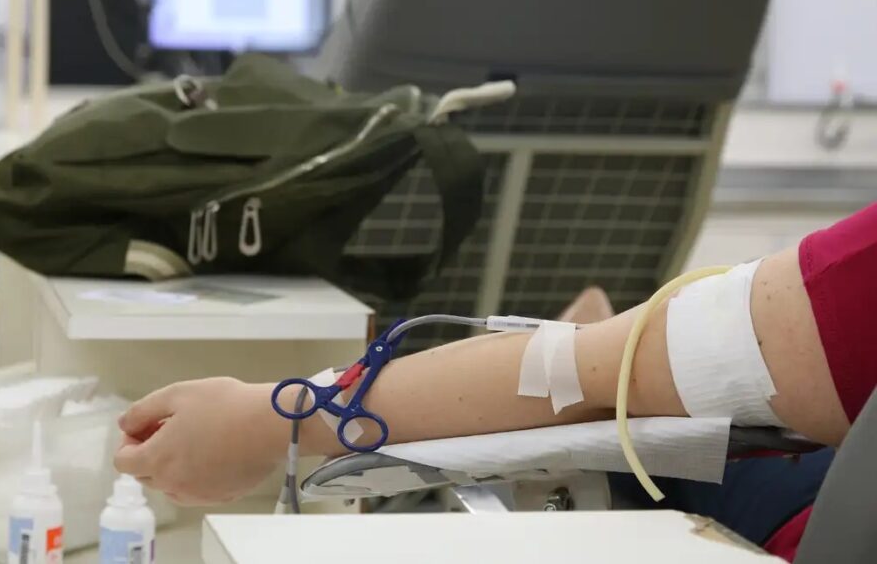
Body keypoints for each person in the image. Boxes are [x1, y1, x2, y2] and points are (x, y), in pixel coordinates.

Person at [115, 202, 877, 561]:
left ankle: (587, 321)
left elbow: (589, 375)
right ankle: (589, 324)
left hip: (801, 501)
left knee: (620, 399)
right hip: (815, 443)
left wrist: (270, 420)